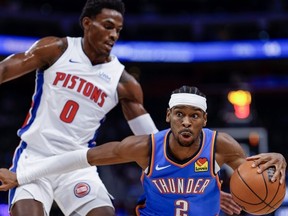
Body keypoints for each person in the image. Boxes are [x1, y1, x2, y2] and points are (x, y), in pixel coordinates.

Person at [0, 86, 286, 215]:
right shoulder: (145, 148)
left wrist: (279, 160)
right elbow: (83, 157)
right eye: (179, 114)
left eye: (194, 115)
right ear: (168, 116)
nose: (186, 121)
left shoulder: (220, 145)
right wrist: (22, 176)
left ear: (205, 120)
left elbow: (254, 176)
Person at [0, 0, 161, 215]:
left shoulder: (123, 82)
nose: (114, 35)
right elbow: (3, 71)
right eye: (108, 26)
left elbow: (153, 140)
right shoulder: (57, 49)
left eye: (118, 30)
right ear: (87, 23)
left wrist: (184, 173)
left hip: (77, 165)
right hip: (35, 156)